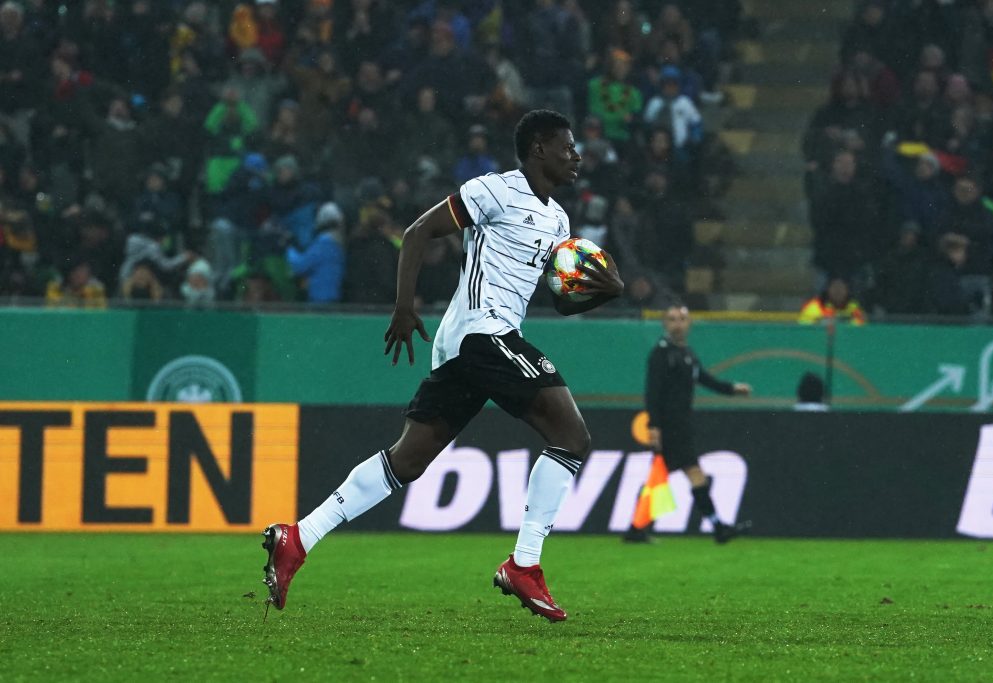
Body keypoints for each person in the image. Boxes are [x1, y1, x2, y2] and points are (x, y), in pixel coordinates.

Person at [261, 110, 623, 622]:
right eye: (567, 147)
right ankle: (525, 565)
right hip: (482, 332)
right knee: (572, 436)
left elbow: (559, 299)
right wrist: (404, 307)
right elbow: (417, 232)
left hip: (477, 343)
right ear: (539, 148)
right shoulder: (494, 190)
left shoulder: (558, 220)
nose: (576, 157)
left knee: (406, 461)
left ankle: (297, 538)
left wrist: (603, 291)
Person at [623, 304, 752, 544]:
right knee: (690, 473)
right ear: (665, 324)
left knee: (663, 477)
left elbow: (705, 379)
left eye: (682, 319)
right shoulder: (661, 354)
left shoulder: (687, 354)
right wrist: (654, 427)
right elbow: (653, 393)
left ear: (689, 323)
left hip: (681, 425)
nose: (677, 324)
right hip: (669, 427)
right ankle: (717, 527)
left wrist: (732, 389)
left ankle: (636, 528)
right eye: (672, 319)